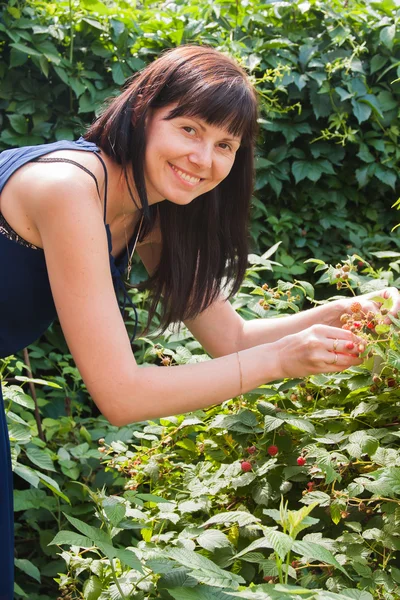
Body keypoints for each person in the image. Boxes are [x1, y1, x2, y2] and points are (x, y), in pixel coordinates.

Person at [0, 45, 398, 598]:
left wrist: (351, 309)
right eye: (189, 129)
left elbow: (231, 338)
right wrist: (281, 361)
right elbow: (121, 395)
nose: (204, 158)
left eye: (225, 145)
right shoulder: (70, 188)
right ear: (142, 113)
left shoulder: (149, 214)